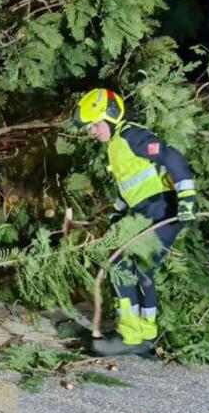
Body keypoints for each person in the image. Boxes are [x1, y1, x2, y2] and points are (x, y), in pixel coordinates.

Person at [72, 88, 199, 356]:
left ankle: (132, 338)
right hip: (144, 210)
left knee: (126, 266)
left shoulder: (132, 135)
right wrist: (118, 211)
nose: (93, 131)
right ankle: (144, 337)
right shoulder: (117, 144)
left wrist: (187, 195)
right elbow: (130, 184)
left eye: (95, 125)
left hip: (161, 209)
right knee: (139, 270)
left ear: (111, 115)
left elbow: (171, 156)